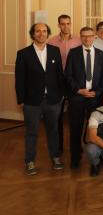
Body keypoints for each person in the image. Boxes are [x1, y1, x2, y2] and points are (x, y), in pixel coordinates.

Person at [15, 23, 65, 175]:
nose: (41, 34)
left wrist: (61, 96)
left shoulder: (55, 51)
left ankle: (55, 157)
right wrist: (21, 100)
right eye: (38, 31)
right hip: (32, 102)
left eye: (44, 31)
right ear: (33, 34)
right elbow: (19, 79)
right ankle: (30, 161)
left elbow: (59, 76)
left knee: (53, 131)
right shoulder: (23, 53)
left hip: (53, 101)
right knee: (31, 132)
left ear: (48, 34)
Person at [64, 26, 103, 169]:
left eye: (89, 36)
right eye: (84, 36)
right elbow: (68, 75)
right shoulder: (73, 53)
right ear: (80, 37)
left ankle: (96, 157)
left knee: (95, 129)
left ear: (94, 37)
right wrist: (78, 90)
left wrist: (98, 92)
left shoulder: (102, 55)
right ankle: (75, 158)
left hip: (95, 98)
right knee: (75, 129)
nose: (87, 39)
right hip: (77, 98)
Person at [47, 14, 81, 152]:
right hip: (58, 82)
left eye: (68, 23)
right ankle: (58, 146)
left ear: (70, 24)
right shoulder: (51, 41)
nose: (66, 26)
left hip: (74, 82)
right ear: (58, 25)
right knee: (57, 116)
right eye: (63, 24)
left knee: (75, 116)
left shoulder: (79, 41)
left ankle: (76, 147)